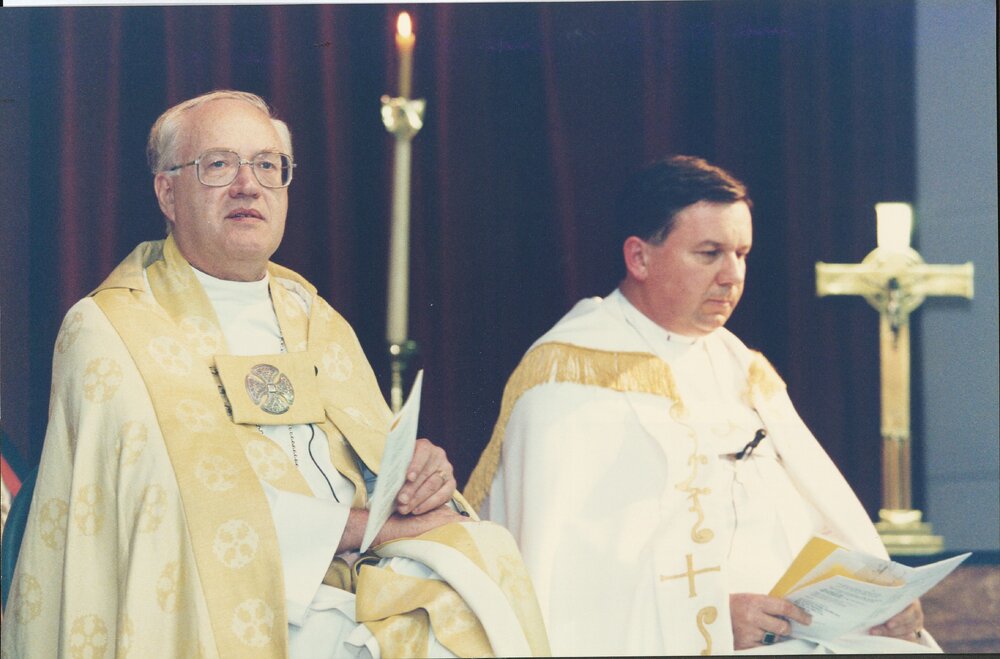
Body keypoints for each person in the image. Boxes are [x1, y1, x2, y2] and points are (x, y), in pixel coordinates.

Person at [2, 90, 548, 659]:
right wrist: (368, 529)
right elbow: (174, 513)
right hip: (221, 611)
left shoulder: (312, 314)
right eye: (218, 165)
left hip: (359, 579)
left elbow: (368, 460)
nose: (248, 184)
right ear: (168, 192)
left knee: (490, 576)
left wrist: (413, 471)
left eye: (267, 165)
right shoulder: (109, 328)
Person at [464, 155, 938, 655]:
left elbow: (817, 518)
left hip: (796, 634)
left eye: (742, 253)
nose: (732, 275)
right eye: (710, 253)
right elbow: (564, 584)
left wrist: (879, 600)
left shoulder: (740, 367)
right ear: (639, 258)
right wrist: (707, 621)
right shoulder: (567, 378)